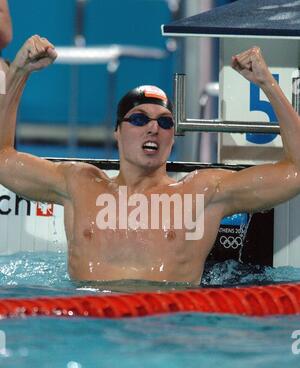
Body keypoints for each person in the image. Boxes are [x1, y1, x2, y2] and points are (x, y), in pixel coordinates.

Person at [1, 35, 300, 284]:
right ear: (117, 131)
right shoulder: (79, 184)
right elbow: (3, 158)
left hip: (165, 329)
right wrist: (18, 72)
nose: (154, 128)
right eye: (140, 118)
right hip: (89, 323)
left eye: (166, 122)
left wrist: (267, 84)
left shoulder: (201, 194)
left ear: (173, 136)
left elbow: (296, 170)